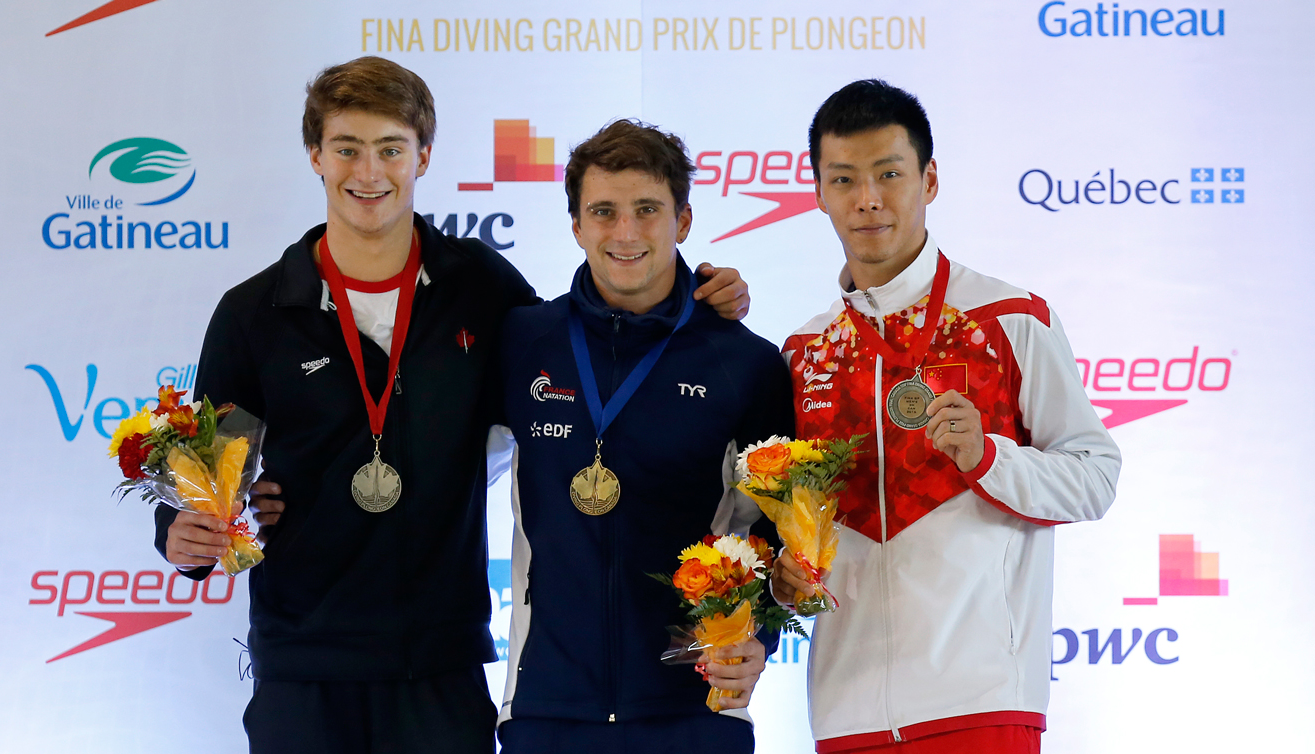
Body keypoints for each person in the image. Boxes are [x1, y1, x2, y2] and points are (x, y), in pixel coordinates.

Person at [152, 57, 752, 754]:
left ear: (424, 157)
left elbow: (598, 340)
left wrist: (700, 300)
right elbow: (198, 487)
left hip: (441, 667)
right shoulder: (253, 313)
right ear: (315, 155)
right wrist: (181, 532)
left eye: (390, 150)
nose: (368, 173)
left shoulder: (481, 288)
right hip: (303, 668)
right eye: (347, 148)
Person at [772, 80, 1121, 753]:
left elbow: (1095, 477)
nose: (867, 199)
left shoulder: (1008, 319)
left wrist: (989, 456)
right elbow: (797, 533)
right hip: (845, 712)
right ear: (817, 192)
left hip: (981, 704)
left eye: (889, 174)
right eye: (843, 179)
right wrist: (786, 580)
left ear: (929, 180)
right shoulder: (802, 352)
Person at [492, 119, 795, 754]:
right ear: (575, 226)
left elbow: (784, 529)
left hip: (697, 709)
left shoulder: (745, 362)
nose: (625, 233)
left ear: (683, 221)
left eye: (647, 210)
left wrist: (756, 638)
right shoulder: (522, 342)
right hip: (547, 708)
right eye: (603, 212)